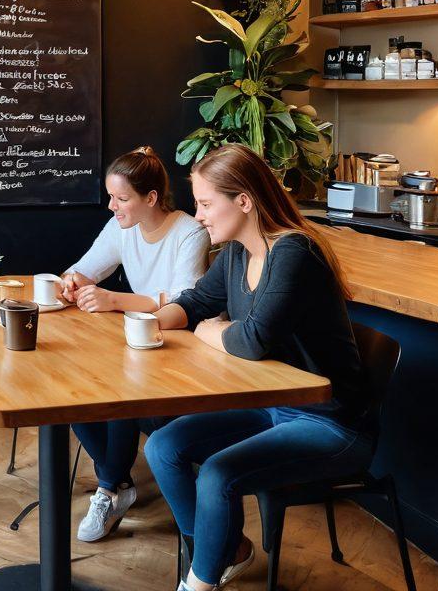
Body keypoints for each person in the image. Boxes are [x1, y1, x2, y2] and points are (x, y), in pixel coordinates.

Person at [144, 144, 371, 591]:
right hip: (272, 404)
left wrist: (209, 330)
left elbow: (251, 340)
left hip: (331, 422)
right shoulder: (237, 252)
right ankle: (221, 552)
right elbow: (196, 302)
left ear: (244, 201)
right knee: (163, 446)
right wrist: (148, 324)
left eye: (206, 204)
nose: (198, 216)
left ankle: (200, 581)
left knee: (217, 474)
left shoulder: (296, 251)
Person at [59, 146, 210, 542]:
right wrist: (71, 282)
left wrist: (114, 300)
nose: (112, 206)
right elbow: (85, 269)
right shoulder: (121, 227)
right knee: (72, 393)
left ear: (151, 198)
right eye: (111, 196)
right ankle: (117, 482)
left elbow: (185, 301)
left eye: (121, 198)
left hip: (181, 352)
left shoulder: (189, 232)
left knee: (120, 393)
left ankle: (110, 488)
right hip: (137, 345)